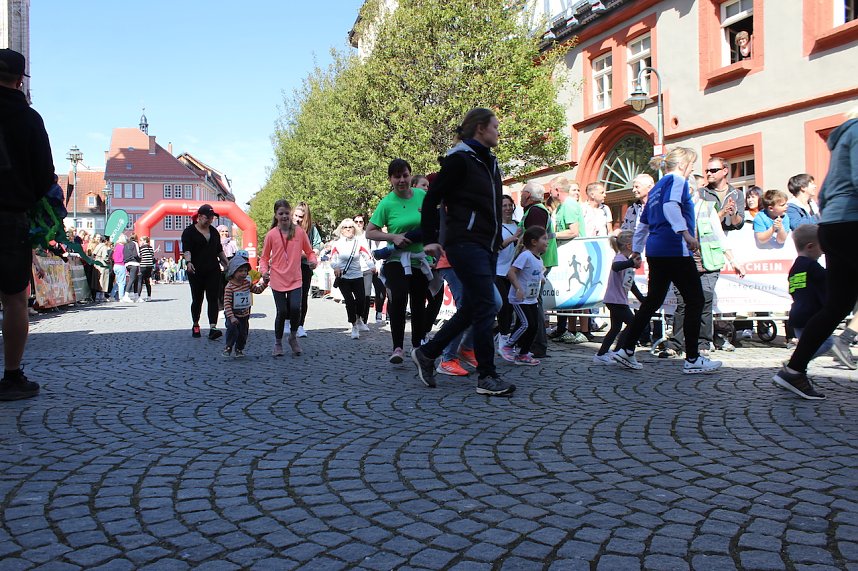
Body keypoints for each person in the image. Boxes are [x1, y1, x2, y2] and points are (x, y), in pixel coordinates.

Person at [411, 108, 515, 396]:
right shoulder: (460, 160)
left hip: (486, 245)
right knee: (486, 306)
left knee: (474, 306)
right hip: (464, 244)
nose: (498, 131)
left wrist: (495, 241)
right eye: (495, 126)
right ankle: (487, 376)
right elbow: (432, 196)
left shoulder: (489, 162)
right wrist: (430, 238)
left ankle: (428, 353)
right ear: (480, 128)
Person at [612, 147, 723, 374]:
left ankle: (626, 350)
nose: (693, 168)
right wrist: (686, 234)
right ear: (683, 164)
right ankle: (693, 359)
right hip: (674, 249)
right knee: (696, 300)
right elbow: (670, 207)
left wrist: (637, 250)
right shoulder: (677, 181)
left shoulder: (656, 188)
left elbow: (643, 223)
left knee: (652, 301)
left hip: (656, 250)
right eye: (692, 164)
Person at [774, 108, 858, 399]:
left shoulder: (842, 140)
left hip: (833, 226)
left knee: (837, 304)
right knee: (837, 304)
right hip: (851, 223)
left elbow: (822, 194)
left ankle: (794, 370)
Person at [0, 48, 54, 401]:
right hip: (9, 215)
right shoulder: (28, 118)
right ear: (20, 79)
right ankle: (12, 375)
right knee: (15, 299)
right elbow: (44, 177)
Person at [661, 182, 746, 358]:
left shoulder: (707, 207)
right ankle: (676, 344)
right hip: (683, 263)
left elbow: (719, 235)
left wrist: (733, 260)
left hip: (708, 262)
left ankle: (703, 343)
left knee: (704, 301)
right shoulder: (674, 209)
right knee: (682, 304)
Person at [365, 159, 431, 364]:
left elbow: (434, 221)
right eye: (397, 176)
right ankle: (398, 348)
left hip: (419, 258)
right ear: (390, 179)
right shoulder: (387, 203)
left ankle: (418, 346)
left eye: (405, 175)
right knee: (399, 298)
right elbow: (370, 232)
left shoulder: (422, 195)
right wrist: (393, 237)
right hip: (395, 259)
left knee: (419, 303)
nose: (401, 180)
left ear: (410, 176)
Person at [783, 225, 854, 370]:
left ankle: (795, 366)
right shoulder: (814, 267)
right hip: (811, 314)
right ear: (810, 247)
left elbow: (793, 290)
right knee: (826, 343)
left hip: (797, 314)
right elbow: (828, 285)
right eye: (821, 247)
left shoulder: (795, 268)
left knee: (806, 343)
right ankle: (794, 363)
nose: (823, 252)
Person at [260, 199, 318, 357]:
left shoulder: (299, 232)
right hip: (277, 279)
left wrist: (313, 261)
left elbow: (310, 251)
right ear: (276, 215)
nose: (284, 216)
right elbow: (264, 258)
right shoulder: (271, 235)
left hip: (295, 278)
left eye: (287, 213)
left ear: (290, 214)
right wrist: (264, 271)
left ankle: (292, 337)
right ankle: (278, 343)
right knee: (282, 311)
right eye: (281, 213)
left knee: (295, 309)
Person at [499, 226, 548, 366]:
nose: (547, 242)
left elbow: (537, 274)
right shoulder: (525, 256)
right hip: (519, 298)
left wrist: (541, 278)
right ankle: (507, 346)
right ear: (533, 242)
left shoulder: (538, 259)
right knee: (526, 324)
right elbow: (511, 273)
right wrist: (518, 288)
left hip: (531, 299)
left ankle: (523, 354)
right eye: (544, 238)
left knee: (534, 326)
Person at [593, 231, 642, 364]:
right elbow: (616, 267)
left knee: (615, 327)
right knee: (632, 324)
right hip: (615, 300)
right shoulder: (620, 258)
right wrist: (631, 262)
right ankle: (617, 352)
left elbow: (630, 283)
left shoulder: (625, 261)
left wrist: (643, 299)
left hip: (618, 299)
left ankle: (602, 353)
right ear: (629, 245)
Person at [549, 177, 588, 344]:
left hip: (576, 255)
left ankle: (584, 331)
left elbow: (573, 231)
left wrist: (551, 236)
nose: (549, 192)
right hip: (566, 254)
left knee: (580, 292)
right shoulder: (561, 207)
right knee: (569, 293)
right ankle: (570, 330)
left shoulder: (570, 205)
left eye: (551, 189)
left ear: (558, 190)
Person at [182, 204, 229, 339]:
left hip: (213, 269)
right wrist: (188, 262)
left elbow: (219, 250)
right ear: (200, 217)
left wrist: (227, 263)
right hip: (196, 270)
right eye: (207, 217)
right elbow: (187, 250)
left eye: (212, 218)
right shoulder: (189, 232)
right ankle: (196, 324)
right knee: (197, 299)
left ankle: (213, 327)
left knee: (213, 298)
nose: (210, 220)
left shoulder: (214, 232)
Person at [331, 218, 373, 339]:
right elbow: (332, 259)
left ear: (354, 229)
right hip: (343, 277)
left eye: (351, 227)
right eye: (345, 227)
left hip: (357, 275)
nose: (348, 229)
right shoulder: (337, 244)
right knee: (349, 301)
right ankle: (354, 325)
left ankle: (359, 318)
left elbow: (367, 256)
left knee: (361, 300)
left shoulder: (359, 242)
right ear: (341, 230)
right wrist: (336, 267)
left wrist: (372, 267)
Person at [222, 254, 268, 358]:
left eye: (245, 271)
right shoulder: (229, 287)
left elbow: (257, 290)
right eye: (240, 271)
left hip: (244, 315)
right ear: (233, 272)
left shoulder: (247, 283)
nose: (243, 273)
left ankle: (239, 349)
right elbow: (227, 304)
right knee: (232, 330)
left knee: (243, 333)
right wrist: (232, 317)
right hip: (232, 315)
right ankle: (228, 346)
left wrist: (265, 284)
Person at [292, 201, 322, 338]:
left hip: (304, 266)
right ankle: (288, 321)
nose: (298, 219)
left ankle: (300, 325)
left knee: (303, 296)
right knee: (288, 294)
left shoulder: (311, 229)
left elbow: (317, 246)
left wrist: (309, 255)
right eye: (296, 216)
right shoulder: (286, 227)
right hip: (288, 266)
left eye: (301, 217)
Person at [494, 195, 520, 351]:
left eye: (510, 205)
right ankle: (503, 338)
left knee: (511, 307)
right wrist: (512, 239)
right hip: (497, 270)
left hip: (513, 272)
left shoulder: (518, 225)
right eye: (504, 205)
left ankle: (502, 334)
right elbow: (496, 247)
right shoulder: (496, 227)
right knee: (503, 305)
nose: (508, 208)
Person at [701, 157, 745, 232]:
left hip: (731, 240)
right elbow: (702, 222)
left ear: (725, 171)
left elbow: (739, 225)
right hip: (710, 239)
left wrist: (733, 214)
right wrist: (722, 213)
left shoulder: (737, 193)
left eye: (713, 170)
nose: (708, 173)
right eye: (707, 171)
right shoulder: (701, 193)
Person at [138, 236, 156, 301]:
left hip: (143, 265)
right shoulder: (150, 248)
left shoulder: (141, 248)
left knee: (140, 281)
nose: (141, 242)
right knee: (147, 281)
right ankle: (149, 296)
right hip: (149, 266)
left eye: (141, 240)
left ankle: (138, 296)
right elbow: (152, 256)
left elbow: (139, 256)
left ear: (145, 241)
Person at [111, 234, 127, 302]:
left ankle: (112, 295)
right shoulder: (123, 247)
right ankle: (121, 297)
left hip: (115, 265)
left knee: (118, 282)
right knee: (122, 282)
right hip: (121, 265)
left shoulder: (116, 246)